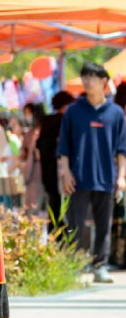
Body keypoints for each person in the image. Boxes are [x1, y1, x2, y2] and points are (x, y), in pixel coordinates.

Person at [59, 62, 126, 284]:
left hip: (106, 177)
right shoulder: (73, 111)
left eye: (92, 77)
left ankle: (100, 266)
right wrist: (66, 172)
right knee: (75, 225)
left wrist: (121, 177)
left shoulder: (116, 113)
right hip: (78, 178)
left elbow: (121, 149)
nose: (87, 81)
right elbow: (63, 146)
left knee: (103, 226)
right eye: (84, 77)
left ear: (104, 81)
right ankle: (75, 268)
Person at [37, 91, 75, 230]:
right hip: (63, 173)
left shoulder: (45, 122)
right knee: (66, 210)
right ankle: (64, 238)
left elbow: (38, 145)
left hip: (47, 172)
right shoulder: (65, 121)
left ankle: (53, 237)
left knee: (53, 208)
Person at [20, 103, 45, 212]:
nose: (27, 116)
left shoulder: (44, 131)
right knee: (32, 208)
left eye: (28, 113)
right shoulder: (29, 133)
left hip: (41, 173)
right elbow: (23, 152)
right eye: (25, 113)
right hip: (32, 175)